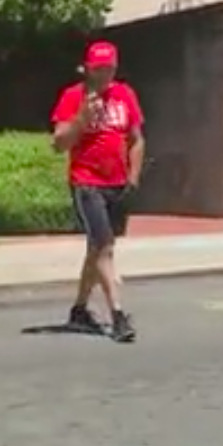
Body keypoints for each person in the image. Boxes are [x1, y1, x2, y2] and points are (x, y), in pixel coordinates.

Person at [50, 40, 145, 343]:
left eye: (110, 68)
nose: (105, 74)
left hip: (117, 183)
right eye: (99, 68)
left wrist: (133, 175)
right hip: (87, 182)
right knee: (103, 246)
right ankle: (118, 315)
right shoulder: (72, 97)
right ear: (88, 69)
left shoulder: (124, 95)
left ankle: (79, 310)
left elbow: (137, 138)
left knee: (99, 249)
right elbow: (58, 143)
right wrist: (81, 119)